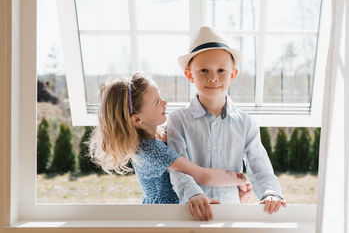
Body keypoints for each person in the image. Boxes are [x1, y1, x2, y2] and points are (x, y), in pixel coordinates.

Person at [167, 26, 287, 221]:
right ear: (190, 75)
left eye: (221, 70)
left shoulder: (246, 123)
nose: (213, 77)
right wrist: (193, 194)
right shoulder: (178, 120)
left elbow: (259, 166)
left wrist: (270, 192)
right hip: (192, 213)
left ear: (233, 74)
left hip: (232, 215)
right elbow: (178, 168)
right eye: (204, 70)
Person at [88, 73, 247, 205]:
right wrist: (242, 178)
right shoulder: (149, 150)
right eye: (157, 102)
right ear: (137, 120)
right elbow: (201, 175)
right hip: (162, 217)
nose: (165, 102)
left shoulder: (161, 131)